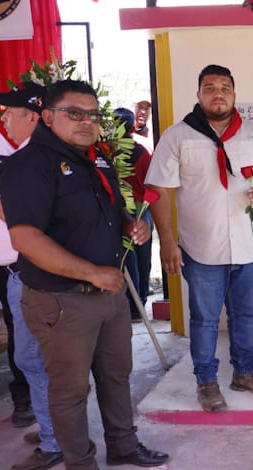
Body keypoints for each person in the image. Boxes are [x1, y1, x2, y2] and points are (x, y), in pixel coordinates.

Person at [0, 79, 168, 470]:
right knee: (70, 390)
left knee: (116, 375)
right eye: (74, 113)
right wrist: (93, 273)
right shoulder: (28, 166)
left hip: (107, 294)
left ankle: (123, 445)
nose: (86, 122)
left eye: (93, 115)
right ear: (48, 116)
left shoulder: (96, 160)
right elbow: (25, 238)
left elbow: (111, 212)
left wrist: (133, 225)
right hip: (62, 300)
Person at [147, 64, 253, 413]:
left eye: (225, 87)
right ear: (198, 95)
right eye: (209, 87)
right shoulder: (178, 137)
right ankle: (206, 382)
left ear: (235, 94)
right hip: (201, 249)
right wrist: (167, 242)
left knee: (245, 316)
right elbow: (158, 190)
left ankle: (244, 373)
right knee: (205, 320)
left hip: (248, 249)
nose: (218, 93)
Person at [0, 82, 66, 470]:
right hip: (17, 272)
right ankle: (56, 429)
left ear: (34, 117)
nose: (4, 119)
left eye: (10, 113)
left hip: (31, 273)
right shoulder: (28, 155)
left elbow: (29, 223)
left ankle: (57, 440)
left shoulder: (30, 161)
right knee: (36, 358)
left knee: (34, 359)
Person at [0, 84, 41, 429]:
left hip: (31, 258)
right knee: (14, 328)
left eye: (11, 112)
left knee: (35, 332)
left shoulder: (43, 152)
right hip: (0, 258)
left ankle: (42, 406)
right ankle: (25, 396)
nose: (4, 118)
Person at [113, 107, 153, 322]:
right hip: (139, 207)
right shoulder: (142, 153)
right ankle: (140, 303)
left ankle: (133, 303)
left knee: (129, 258)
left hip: (122, 208)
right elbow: (151, 182)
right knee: (143, 257)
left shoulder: (108, 152)